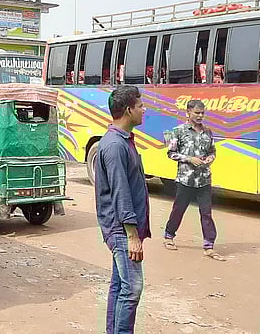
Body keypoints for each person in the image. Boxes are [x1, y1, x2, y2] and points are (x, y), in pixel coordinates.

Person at [94, 85, 150, 334]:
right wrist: (132, 235)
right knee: (132, 288)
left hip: (121, 228)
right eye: (140, 105)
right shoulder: (115, 146)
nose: (143, 109)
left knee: (119, 285)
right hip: (121, 230)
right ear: (128, 110)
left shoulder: (122, 141)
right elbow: (120, 192)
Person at [163, 99, 225, 261]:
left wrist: (209, 159)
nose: (200, 116)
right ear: (188, 113)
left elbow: (213, 151)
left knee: (206, 213)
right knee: (179, 209)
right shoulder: (179, 131)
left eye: (202, 113)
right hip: (185, 180)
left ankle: (209, 245)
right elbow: (171, 153)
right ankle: (169, 235)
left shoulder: (208, 132)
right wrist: (189, 159)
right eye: (197, 113)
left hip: (204, 180)